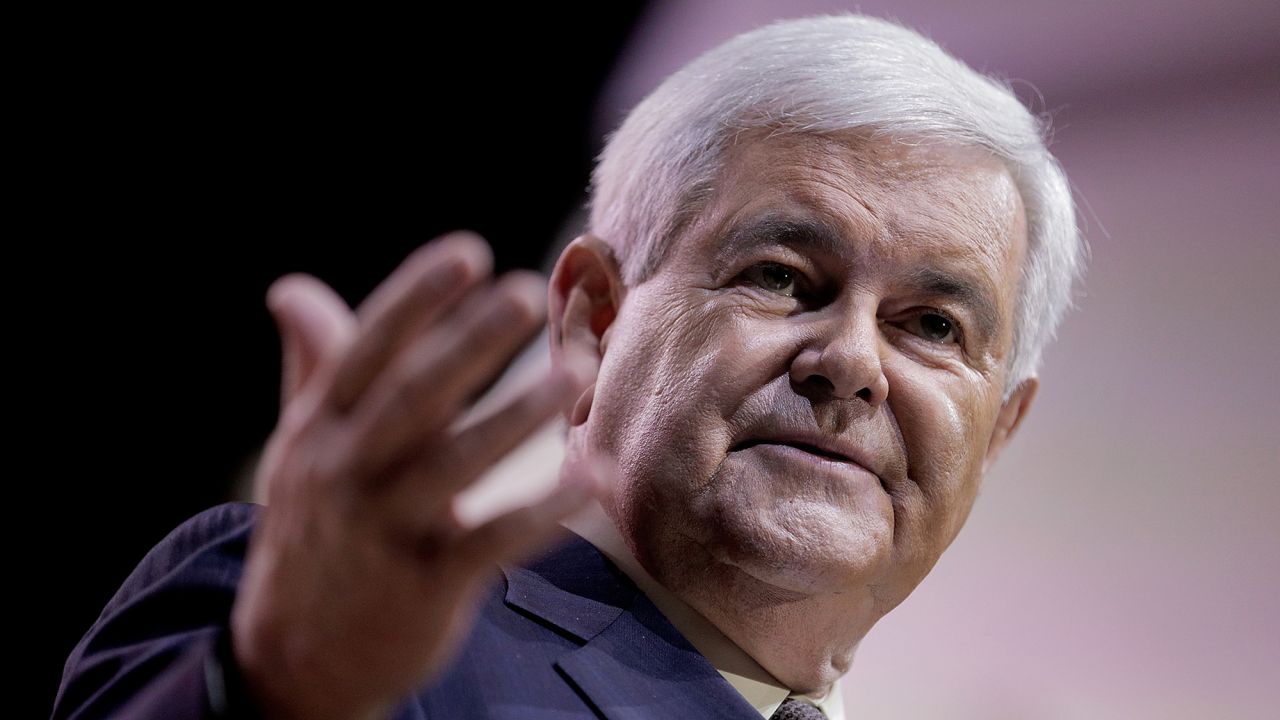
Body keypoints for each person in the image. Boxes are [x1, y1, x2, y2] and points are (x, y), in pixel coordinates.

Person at [53, 13, 1084, 720]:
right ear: (595, 319)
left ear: (994, 432)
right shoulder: (335, 640)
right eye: (780, 275)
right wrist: (284, 684)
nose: (850, 361)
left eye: (933, 327)